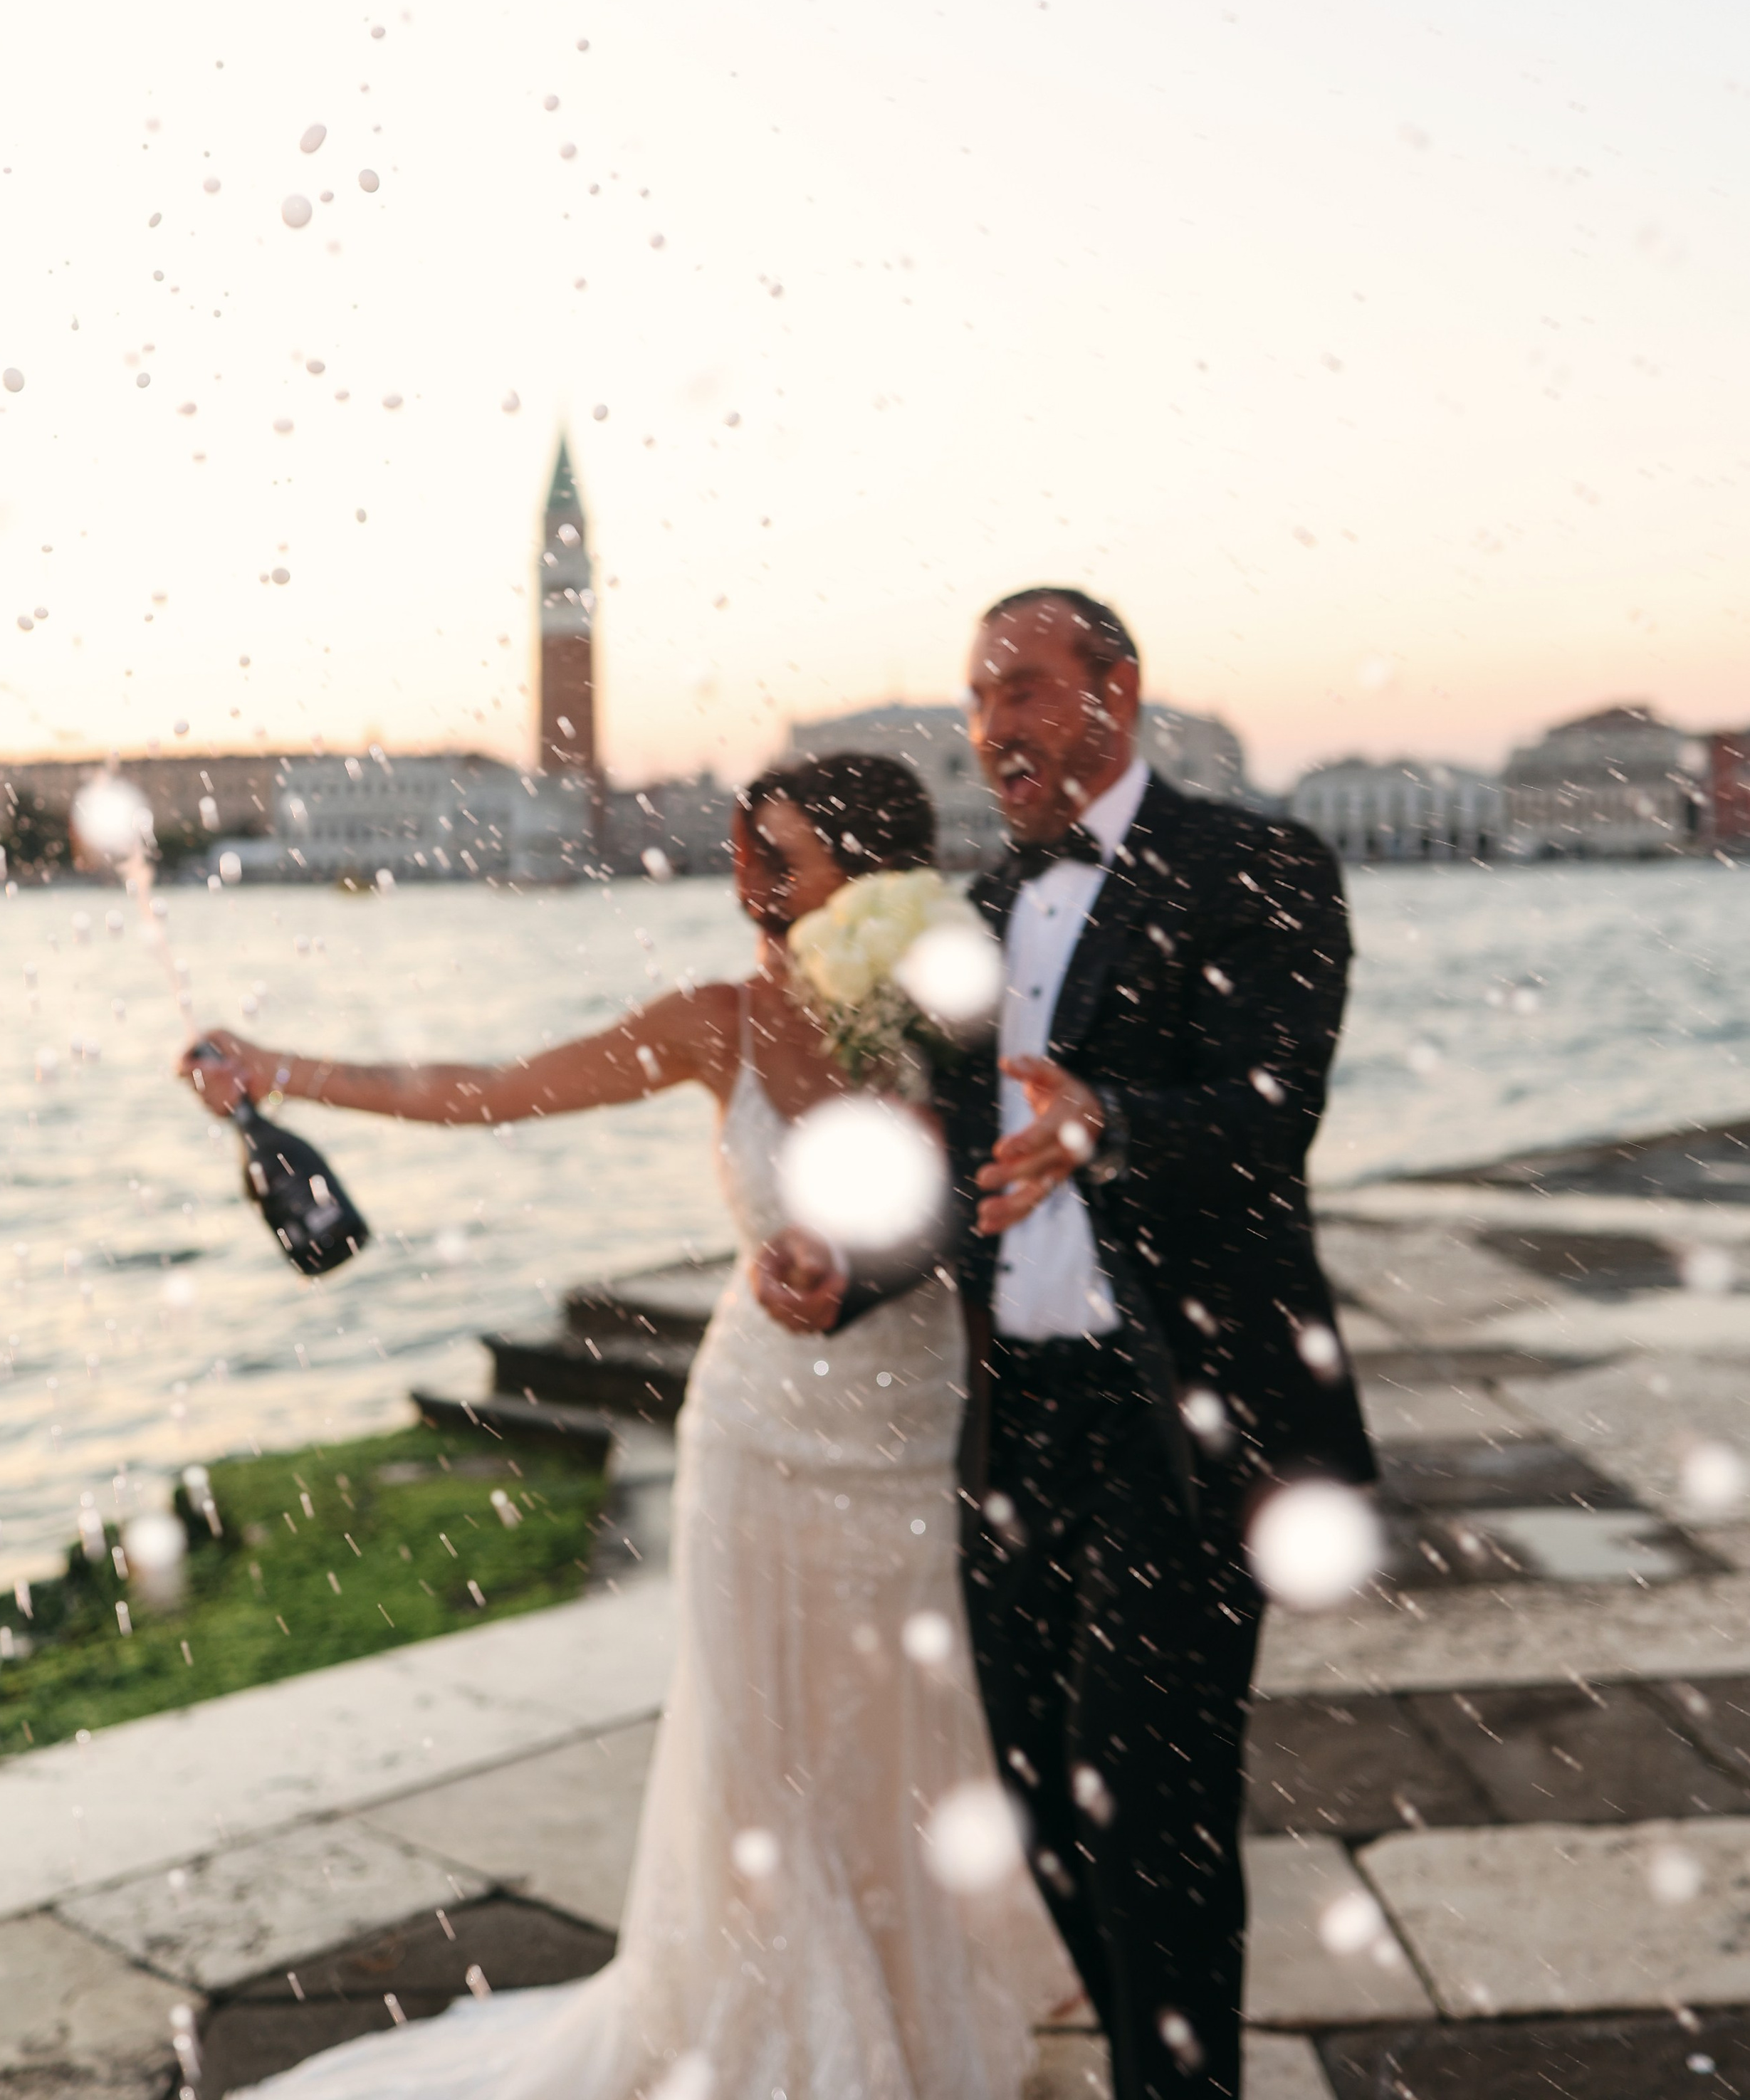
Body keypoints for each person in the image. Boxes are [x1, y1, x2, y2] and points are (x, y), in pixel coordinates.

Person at [179, 749, 1076, 2100]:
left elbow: (998, 1196)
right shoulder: (714, 1021)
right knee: (759, 1744)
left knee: (900, 1724)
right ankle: (791, 2037)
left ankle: (918, 1993)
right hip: (760, 1431)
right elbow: (490, 1088)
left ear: (872, 876)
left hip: (912, 1426)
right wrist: (282, 1069)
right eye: (742, 851)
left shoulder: (960, 1007)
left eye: (779, 857)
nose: (748, 882)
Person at [755, 591, 1373, 2100]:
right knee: (1039, 1797)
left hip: (1183, 1409)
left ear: (1116, 689)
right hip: (1015, 1425)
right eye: (976, 701)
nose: (990, 731)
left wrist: (1109, 1125)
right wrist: (843, 1270)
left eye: (1021, 691)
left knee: (1145, 1802)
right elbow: (972, 1170)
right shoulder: (977, 918)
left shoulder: (1257, 865)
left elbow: (1267, 1117)